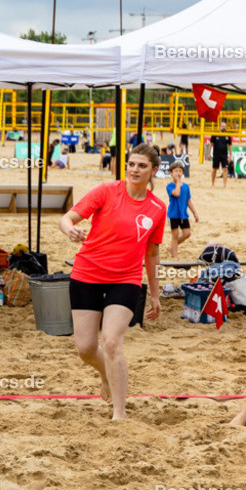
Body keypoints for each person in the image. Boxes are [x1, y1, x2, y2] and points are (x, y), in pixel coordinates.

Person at [59, 143, 166, 421]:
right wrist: (70, 229)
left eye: (142, 166)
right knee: (84, 348)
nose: (134, 169)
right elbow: (67, 218)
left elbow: (152, 253)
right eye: (131, 164)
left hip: (126, 278)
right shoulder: (106, 191)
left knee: (111, 341)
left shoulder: (157, 208)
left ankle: (120, 415)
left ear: (154, 170)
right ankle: (107, 374)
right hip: (87, 273)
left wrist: (155, 295)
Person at [165, 162, 199, 259]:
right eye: (176, 171)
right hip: (173, 214)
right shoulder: (170, 186)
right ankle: (175, 257)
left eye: (180, 171)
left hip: (183, 214)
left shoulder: (186, 186)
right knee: (175, 236)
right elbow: (176, 193)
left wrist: (195, 213)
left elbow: (188, 200)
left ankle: (172, 247)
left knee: (187, 233)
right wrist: (178, 183)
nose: (178, 173)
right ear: (171, 173)